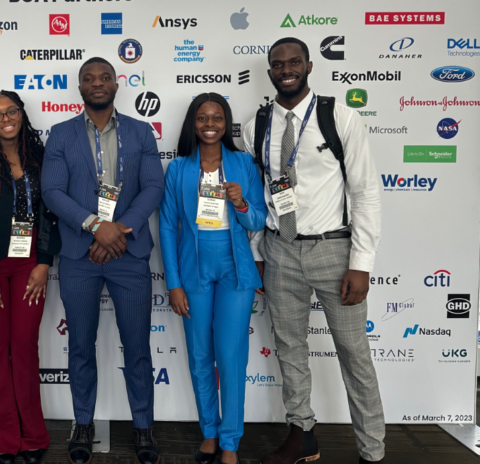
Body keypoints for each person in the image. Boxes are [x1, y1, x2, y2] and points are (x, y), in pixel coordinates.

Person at [242, 38, 385, 464]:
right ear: (270, 71)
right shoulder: (255, 127)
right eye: (277, 64)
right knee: (289, 349)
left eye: (294, 62)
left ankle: (373, 451)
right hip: (279, 250)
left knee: (354, 354)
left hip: (333, 251)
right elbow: (259, 195)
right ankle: (302, 434)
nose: (286, 69)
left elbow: (365, 192)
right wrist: (258, 252)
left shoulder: (339, 116)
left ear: (308, 66)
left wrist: (361, 264)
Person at [41, 57, 164, 464]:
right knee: (80, 344)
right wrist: (96, 226)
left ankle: (143, 425)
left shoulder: (141, 131)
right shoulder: (61, 134)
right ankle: (82, 422)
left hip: (128, 252)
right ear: (80, 87)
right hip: (80, 253)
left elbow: (153, 186)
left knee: (138, 345)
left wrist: (119, 231)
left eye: (105, 77)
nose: (98, 83)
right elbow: (53, 191)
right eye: (89, 78)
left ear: (116, 84)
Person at [159, 93, 267, 464]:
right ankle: (209, 431)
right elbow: (167, 227)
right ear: (193, 123)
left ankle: (230, 440)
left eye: (217, 117)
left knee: (231, 356)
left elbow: (258, 220)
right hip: (193, 267)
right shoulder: (178, 169)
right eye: (202, 118)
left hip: (235, 266)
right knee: (200, 354)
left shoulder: (243, 163)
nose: (210, 124)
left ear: (226, 123)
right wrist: (173, 283)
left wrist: (241, 202)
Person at [0, 90, 61, 464]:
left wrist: (44, 262)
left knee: (24, 348)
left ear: (22, 114)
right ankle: (0, 436)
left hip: (29, 266)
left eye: (11, 111)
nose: (5, 119)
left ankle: (33, 434)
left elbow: (50, 212)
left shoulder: (40, 155)